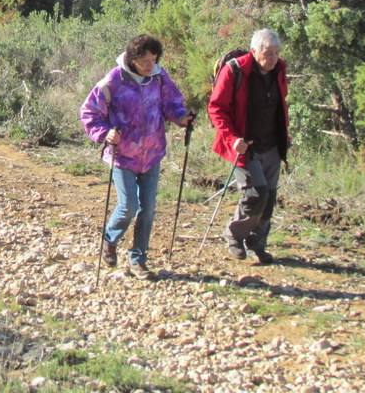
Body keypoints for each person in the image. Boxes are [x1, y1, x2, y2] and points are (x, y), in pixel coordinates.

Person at [81, 34, 194, 280]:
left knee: (149, 208)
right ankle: (109, 240)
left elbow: (172, 103)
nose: (149, 65)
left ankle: (138, 260)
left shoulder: (159, 77)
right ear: (132, 59)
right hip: (123, 154)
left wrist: (182, 117)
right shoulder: (113, 80)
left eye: (153, 59)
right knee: (129, 205)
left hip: (152, 153)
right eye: (144, 60)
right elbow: (89, 111)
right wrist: (105, 133)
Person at [208, 28, 290, 264]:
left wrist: (286, 135)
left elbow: (279, 104)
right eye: (267, 52)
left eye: (276, 52)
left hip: (273, 142)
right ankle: (234, 236)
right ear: (254, 51)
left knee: (270, 196)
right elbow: (216, 108)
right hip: (243, 145)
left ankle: (258, 242)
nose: (273, 58)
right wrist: (233, 138)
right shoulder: (235, 70)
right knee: (256, 193)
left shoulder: (279, 69)